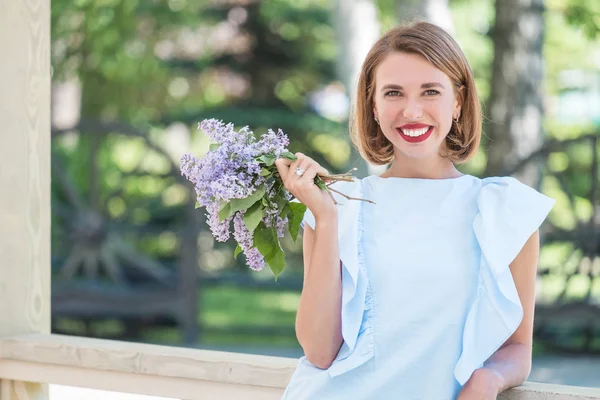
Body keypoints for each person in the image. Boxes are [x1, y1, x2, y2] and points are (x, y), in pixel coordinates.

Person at [274, 21, 555, 400]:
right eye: (393, 93)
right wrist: (325, 218)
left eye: (430, 92)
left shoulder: (504, 210)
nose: (411, 110)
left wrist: (488, 379)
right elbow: (320, 352)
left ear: (457, 102)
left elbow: (517, 349)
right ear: (373, 106)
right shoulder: (337, 205)